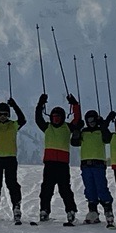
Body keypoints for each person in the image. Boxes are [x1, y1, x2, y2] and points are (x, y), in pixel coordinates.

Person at [35, 92, 81, 225]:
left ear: (62, 118)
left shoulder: (67, 127)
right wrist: (40, 104)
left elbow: (77, 118)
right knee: (46, 189)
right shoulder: (47, 127)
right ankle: (44, 210)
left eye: (58, 117)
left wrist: (74, 104)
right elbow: (38, 118)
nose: (56, 119)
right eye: (54, 117)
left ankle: (70, 211)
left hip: (62, 164)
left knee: (64, 189)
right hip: (50, 164)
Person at [72, 108, 116, 224]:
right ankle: (93, 211)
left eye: (93, 120)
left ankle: (108, 209)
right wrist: (77, 129)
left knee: (101, 187)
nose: (91, 122)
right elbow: (74, 142)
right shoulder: (83, 132)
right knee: (89, 189)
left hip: (98, 164)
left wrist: (105, 123)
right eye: (89, 120)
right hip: (86, 165)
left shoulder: (101, 131)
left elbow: (108, 138)